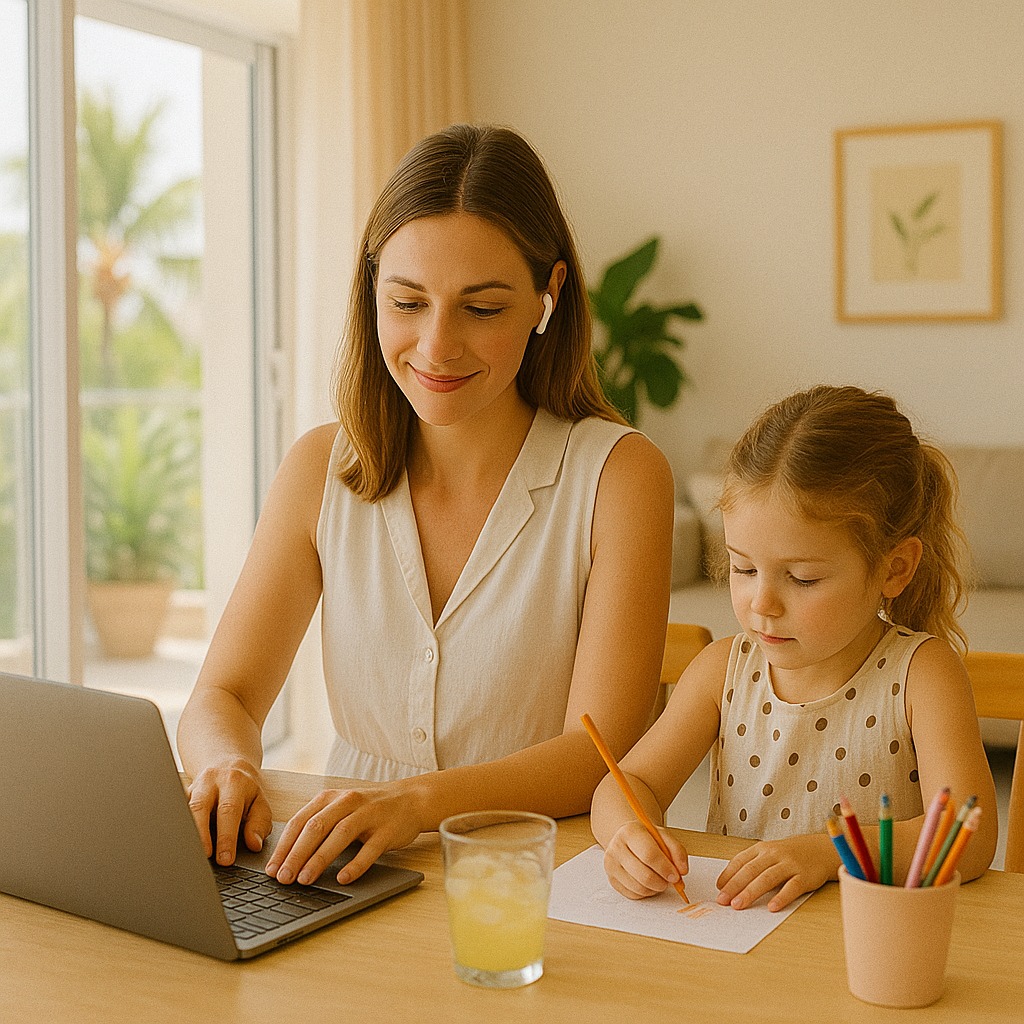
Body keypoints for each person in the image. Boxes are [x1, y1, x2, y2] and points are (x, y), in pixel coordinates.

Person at [177, 123, 675, 887]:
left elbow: (596, 751)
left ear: (548, 297)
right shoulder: (320, 468)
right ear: (373, 291)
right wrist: (225, 765)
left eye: (482, 309)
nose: (437, 346)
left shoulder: (620, 476)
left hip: (536, 879)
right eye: (408, 302)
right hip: (346, 871)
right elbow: (226, 695)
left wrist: (415, 802)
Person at [591, 384, 997, 911]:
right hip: (741, 937)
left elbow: (967, 836)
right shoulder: (722, 671)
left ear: (895, 568)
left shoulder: (922, 674)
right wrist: (627, 835)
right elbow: (628, 782)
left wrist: (830, 853)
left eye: (803, 578)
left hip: (867, 940)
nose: (762, 603)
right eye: (743, 568)